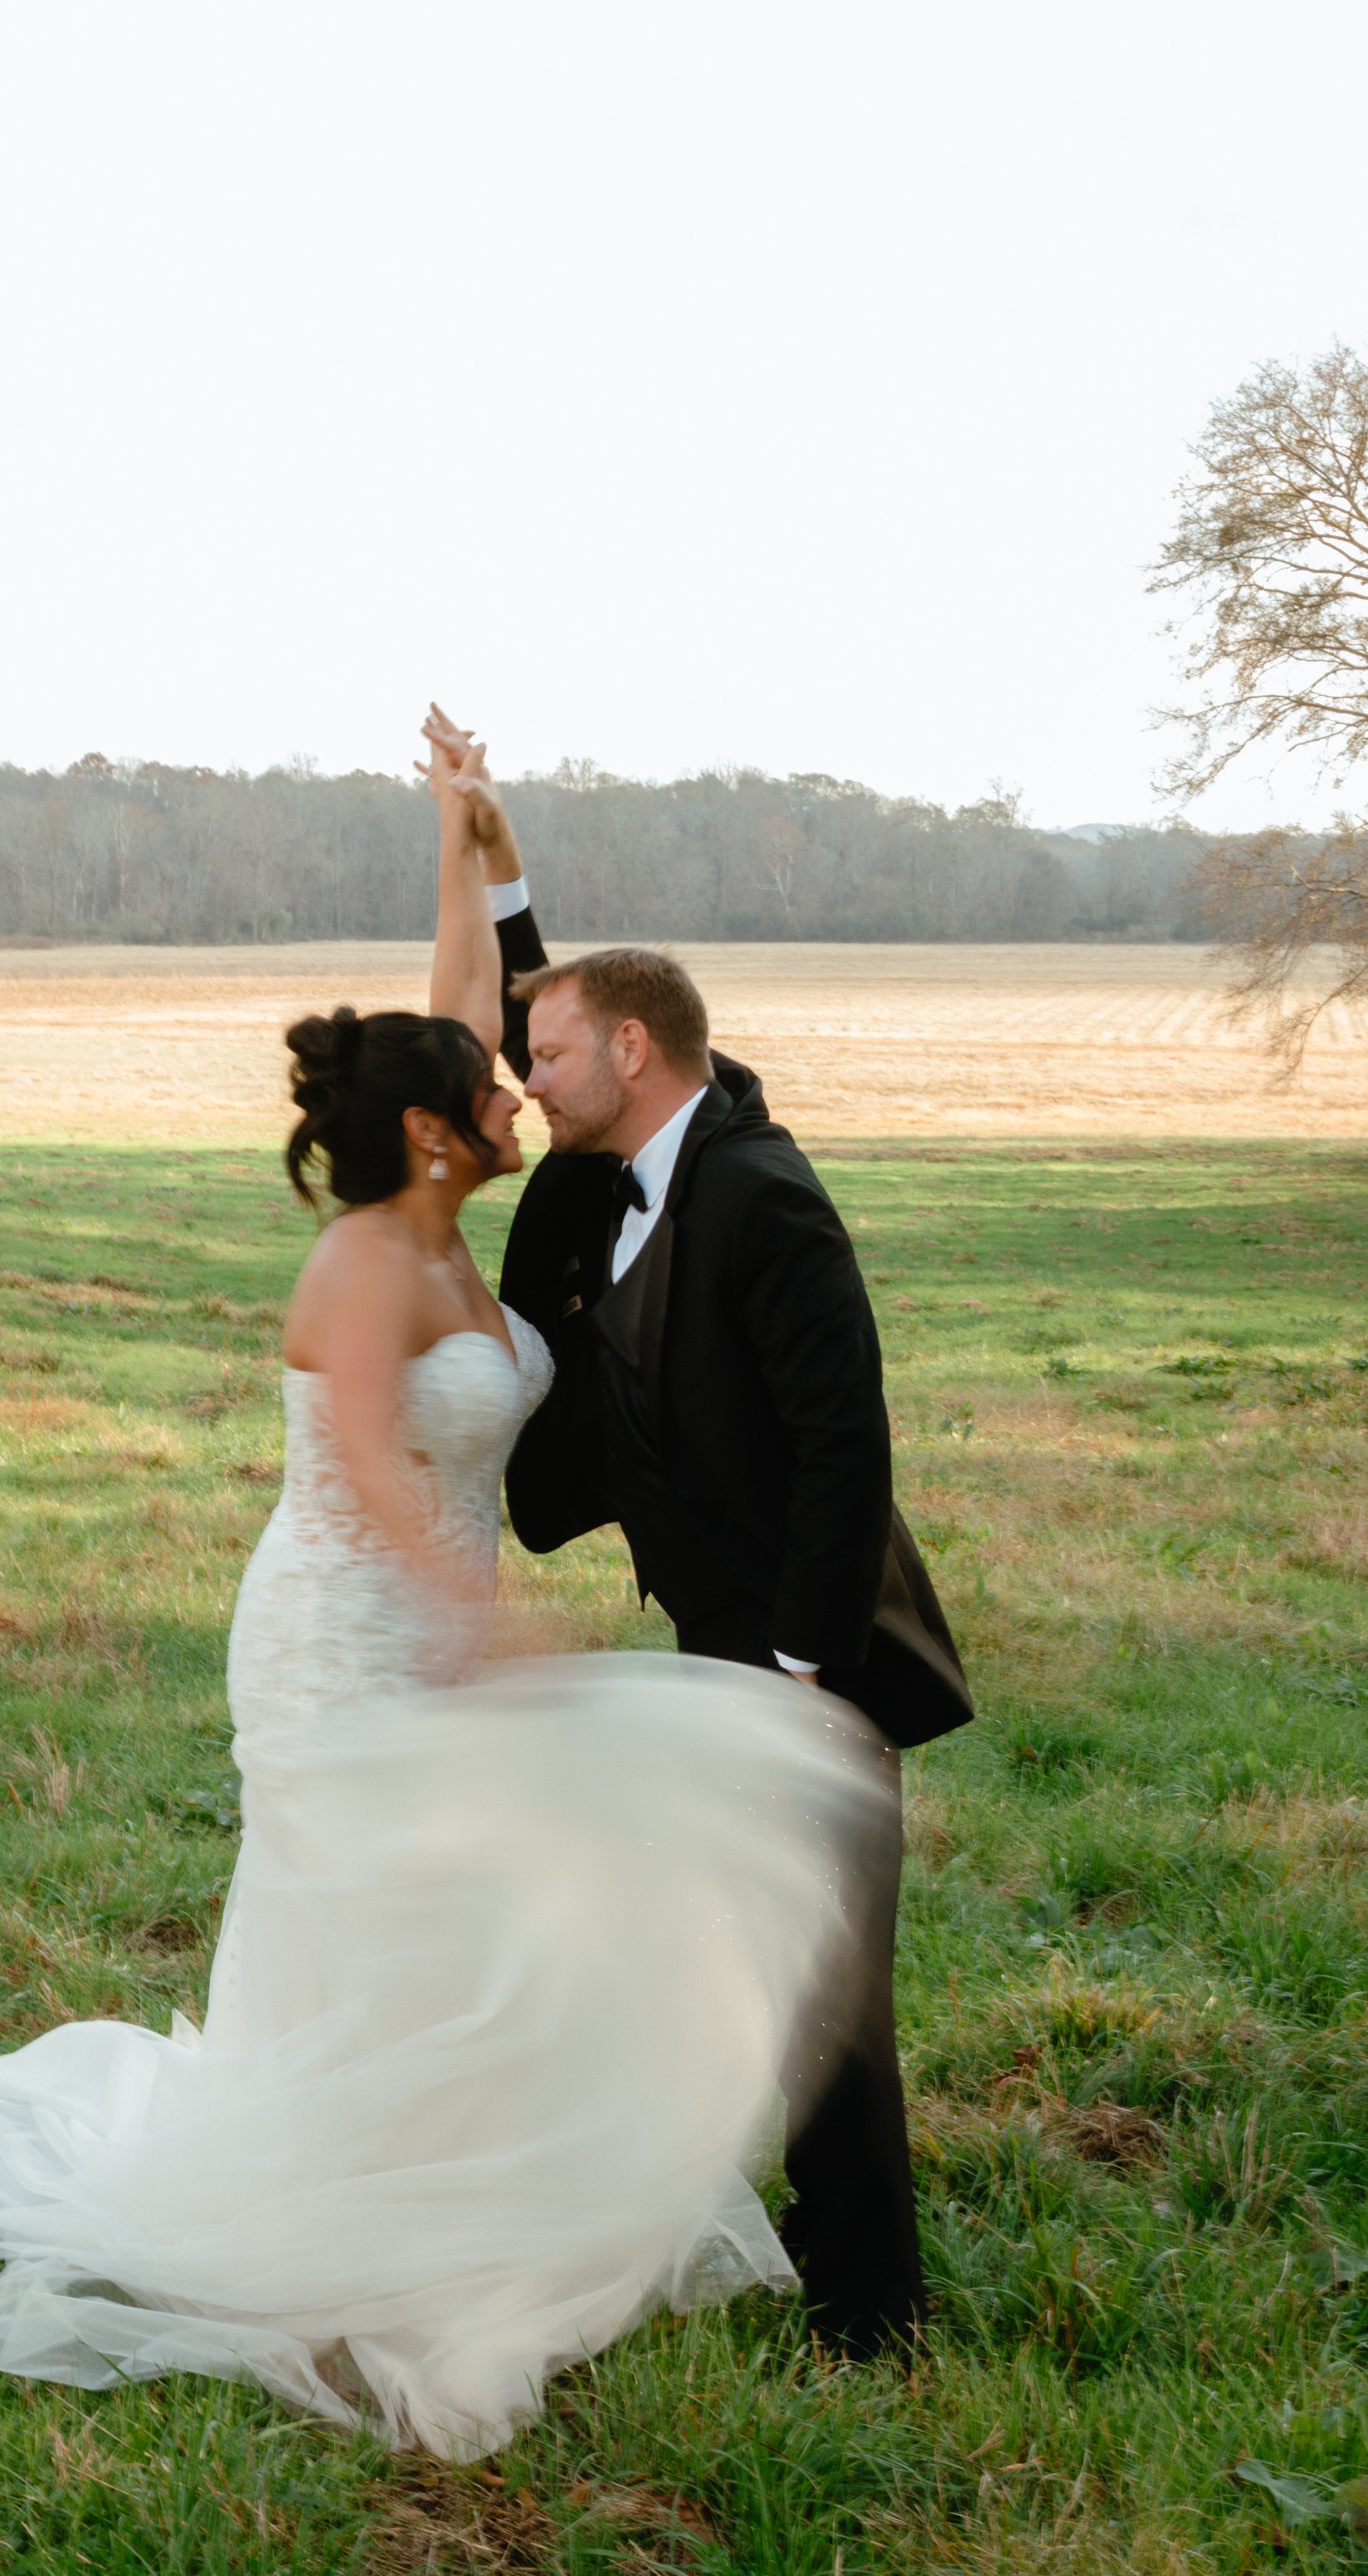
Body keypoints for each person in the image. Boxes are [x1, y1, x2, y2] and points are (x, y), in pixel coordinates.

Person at [0, 745, 888, 2460]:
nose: (521, 1094)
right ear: (436, 1134)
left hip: (436, 1629)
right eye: (496, 1093)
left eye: (532, 1073)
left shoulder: (444, 1214)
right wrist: (492, 1637)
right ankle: (347, 2225)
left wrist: (466, 848)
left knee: (460, 1926)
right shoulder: (362, 1263)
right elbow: (366, 1473)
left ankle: (466, 2184)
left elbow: (459, 1008)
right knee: (374, 1925)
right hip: (345, 1638)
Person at [420, 706, 971, 2362]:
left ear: (637, 1059)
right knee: (740, 1954)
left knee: (825, 1984)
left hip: (819, 1656)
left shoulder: (760, 1197)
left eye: (558, 1056)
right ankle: (784, 2231)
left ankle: (872, 2312)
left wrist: (800, 1668)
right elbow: (546, 1002)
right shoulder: (618, 1162)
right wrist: (490, 855)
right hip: (717, 1634)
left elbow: (842, 1447)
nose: (529, 1074)